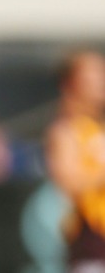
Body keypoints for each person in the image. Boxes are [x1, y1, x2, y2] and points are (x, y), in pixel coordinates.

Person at [45, 51, 105, 272]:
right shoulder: (66, 131)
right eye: (94, 74)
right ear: (71, 83)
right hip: (91, 245)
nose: (101, 81)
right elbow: (69, 182)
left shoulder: (96, 128)